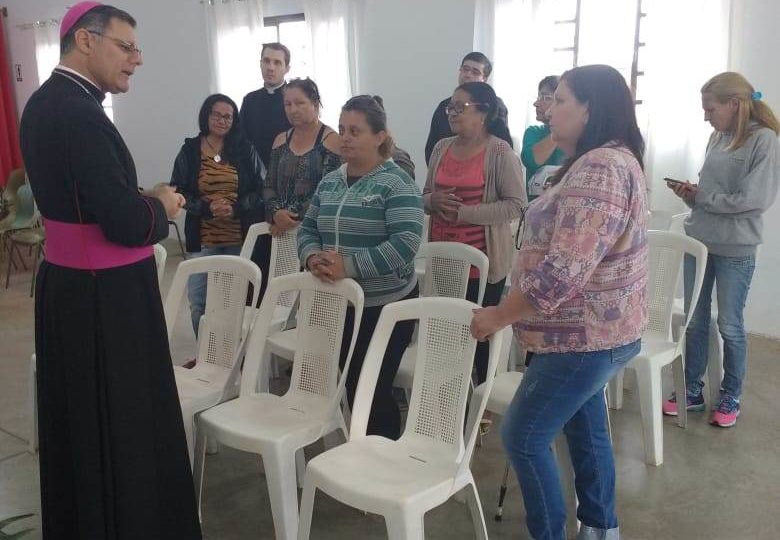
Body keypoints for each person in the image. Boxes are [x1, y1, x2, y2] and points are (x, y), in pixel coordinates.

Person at [19, 3, 202, 538]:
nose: (137, 60)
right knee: (121, 424)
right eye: (126, 47)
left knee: (83, 426)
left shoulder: (48, 103)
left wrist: (136, 198)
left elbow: (86, 201)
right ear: (85, 42)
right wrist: (162, 206)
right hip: (106, 301)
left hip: (73, 288)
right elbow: (124, 222)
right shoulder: (78, 113)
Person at [471, 65, 648, 540]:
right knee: (586, 433)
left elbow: (565, 270)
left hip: (581, 337)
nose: (549, 109)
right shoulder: (598, 159)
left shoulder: (602, 167)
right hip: (589, 334)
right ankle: (600, 527)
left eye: (562, 100)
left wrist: (497, 317)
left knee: (523, 437)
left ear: (590, 108)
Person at [298, 95, 423, 439]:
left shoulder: (396, 183)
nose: (345, 137)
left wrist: (349, 266)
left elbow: (405, 244)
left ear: (380, 135)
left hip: (387, 306)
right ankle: (364, 450)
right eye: (341, 129)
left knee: (371, 386)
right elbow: (308, 228)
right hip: (339, 301)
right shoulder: (331, 182)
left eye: (356, 130)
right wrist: (312, 257)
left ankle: (384, 461)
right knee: (350, 380)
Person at [664, 72, 780, 427]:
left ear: (734, 104)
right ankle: (693, 390)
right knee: (696, 320)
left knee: (730, 324)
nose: (706, 116)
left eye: (710, 109)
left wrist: (705, 198)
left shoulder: (765, 140)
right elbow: (717, 190)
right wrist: (693, 192)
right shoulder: (717, 136)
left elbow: (754, 199)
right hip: (699, 239)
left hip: (736, 246)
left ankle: (731, 393)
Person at [424, 81, 526, 385]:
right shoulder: (442, 147)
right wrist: (431, 201)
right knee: (447, 329)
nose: (452, 113)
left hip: (482, 263)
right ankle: (449, 392)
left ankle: (481, 398)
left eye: (460, 107)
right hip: (444, 259)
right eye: (450, 107)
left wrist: (465, 213)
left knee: (479, 332)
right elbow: (426, 194)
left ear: (483, 113)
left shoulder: (499, 152)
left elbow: (516, 205)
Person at [170, 93, 265, 335]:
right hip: (202, 239)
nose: (222, 120)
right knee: (199, 301)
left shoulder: (245, 149)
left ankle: (228, 357)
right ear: (206, 116)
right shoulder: (190, 150)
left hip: (237, 238)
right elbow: (177, 190)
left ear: (234, 120)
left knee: (232, 303)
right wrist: (206, 208)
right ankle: (204, 356)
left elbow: (260, 188)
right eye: (216, 114)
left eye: (228, 116)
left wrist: (236, 207)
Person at [263, 78, 341, 239]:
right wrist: (276, 213)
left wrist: (292, 216)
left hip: (319, 232)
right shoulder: (280, 140)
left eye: (299, 103)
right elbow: (268, 185)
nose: (293, 110)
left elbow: (329, 191)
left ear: (315, 104)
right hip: (281, 231)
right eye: (288, 104)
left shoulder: (333, 142)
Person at [424, 51, 512, 164]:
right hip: (446, 168)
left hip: (483, 169)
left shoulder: (495, 105)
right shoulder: (444, 106)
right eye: (465, 69)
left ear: (484, 79)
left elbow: (503, 146)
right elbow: (432, 149)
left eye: (475, 72)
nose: (468, 75)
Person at [240, 42, 292, 169]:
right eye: (266, 61)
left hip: (289, 172)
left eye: (277, 62)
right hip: (254, 173)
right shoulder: (250, 100)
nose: (270, 67)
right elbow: (241, 139)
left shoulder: (295, 99)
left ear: (287, 69)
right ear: (260, 64)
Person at [521, 75, 566, 201]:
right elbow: (532, 161)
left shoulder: (577, 137)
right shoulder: (533, 132)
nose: (536, 103)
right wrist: (559, 126)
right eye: (539, 97)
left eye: (546, 98)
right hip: (536, 213)